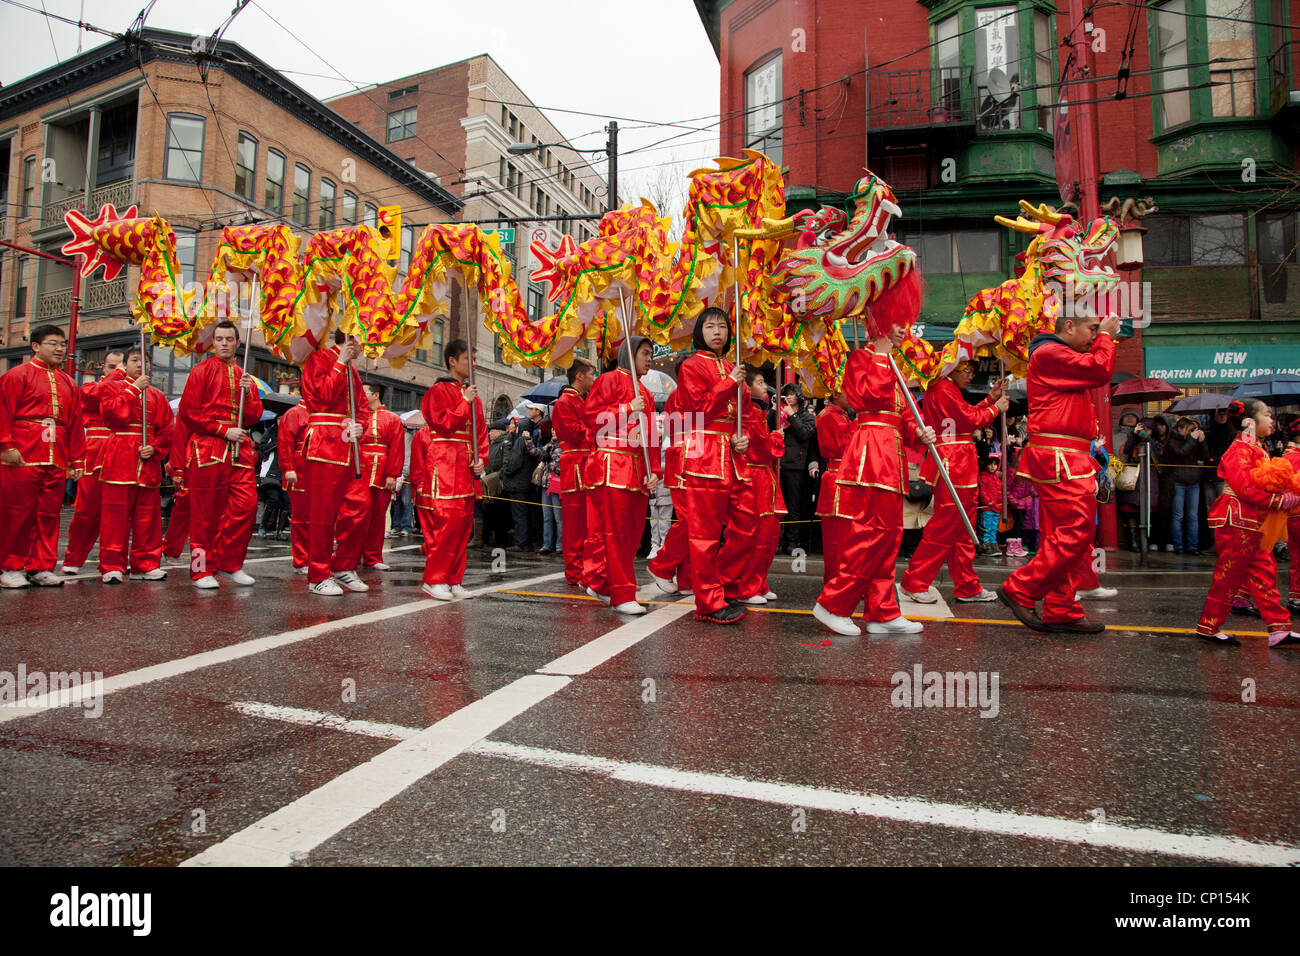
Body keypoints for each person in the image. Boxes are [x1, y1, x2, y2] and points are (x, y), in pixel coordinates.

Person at [813, 319, 936, 638]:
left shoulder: (894, 364)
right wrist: (880, 356)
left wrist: (919, 433)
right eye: (896, 324)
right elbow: (866, 397)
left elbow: (905, 416)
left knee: (890, 536)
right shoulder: (860, 359)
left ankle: (882, 611)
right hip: (871, 454)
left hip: (891, 457)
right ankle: (833, 604)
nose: (902, 330)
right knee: (871, 533)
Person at [997, 312, 1119, 634]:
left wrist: (1100, 337)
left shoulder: (1058, 356)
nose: (1095, 335)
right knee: (1078, 528)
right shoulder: (1050, 353)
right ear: (1069, 326)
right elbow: (1100, 368)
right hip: (1060, 457)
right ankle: (1021, 587)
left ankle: (1060, 607)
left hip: (1064, 456)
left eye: (1097, 331)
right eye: (1092, 328)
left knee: (1060, 534)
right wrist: (1107, 337)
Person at [898, 360, 1006, 604]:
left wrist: (990, 400)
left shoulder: (945, 389)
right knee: (946, 527)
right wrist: (994, 408)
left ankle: (966, 585)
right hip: (954, 462)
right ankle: (915, 580)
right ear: (952, 369)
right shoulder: (944, 388)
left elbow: (963, 416)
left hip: (958, 462)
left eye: (972, 371)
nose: (970, 376)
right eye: (966, 370)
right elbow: (969, 419)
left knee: (961, 529)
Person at [665, 309, 747, 624]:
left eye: (722, 326)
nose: (717, 331)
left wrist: (744, 438)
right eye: (710, 326)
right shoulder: (691, 366)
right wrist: (728, 383)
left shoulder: (729, 366)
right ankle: (709, 602)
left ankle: (723, 583)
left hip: (731, 455)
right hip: (704, 454)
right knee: (704, 533)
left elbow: (743, 413)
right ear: (700, 332)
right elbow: (701, 410)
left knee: (745, 525)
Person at [1195, 399, 1298, 647]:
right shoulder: (1239, 450)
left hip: (1251, 519)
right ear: (1250, 422)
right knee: (1230, 574)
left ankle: (1279, 628)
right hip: (1237, 519)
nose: (1272, 419)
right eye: (1267, 414)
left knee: (1264, 569)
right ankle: (1209, 625)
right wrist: (1279, 500)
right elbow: (1245, 488)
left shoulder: (1255, 448)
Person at [178, 320, 264, 590]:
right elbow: (188, 412)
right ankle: (201, 570)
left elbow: (253, 416)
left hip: (239, 451)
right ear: (213, 342)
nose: (224, 343)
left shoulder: (243, 375)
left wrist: (249, 394)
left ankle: (230, 563)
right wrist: (222, 430)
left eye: (229, 339)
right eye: (219, 339)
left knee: (246, 506)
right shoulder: (200, 371)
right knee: (205, 514)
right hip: (208, 447)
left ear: (238, 343)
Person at [0, 324, 85, 588]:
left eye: (62, 344)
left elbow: (74, 422)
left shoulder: (68, 382)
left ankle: (41, 566)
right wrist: (6, 445)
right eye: (53, 343)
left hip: (56, 457)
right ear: (35, 346)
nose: (60, 349)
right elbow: (3, 412)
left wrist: (77, 459)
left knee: (49, 514)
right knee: (17, 513)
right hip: (23, 455)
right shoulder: (16, 375)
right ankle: (10, 566)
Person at [584, 336, 659, 615]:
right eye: (645, 353)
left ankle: (603, 583)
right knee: (615, 532)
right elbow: (591, 418)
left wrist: (655, 471)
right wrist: (627, 408)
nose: (649, 358)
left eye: (651, 353)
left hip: (638, 469)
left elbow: (650, 437)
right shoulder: (608, 380)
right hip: (612, 464)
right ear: (630, 354)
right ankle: (622, 593)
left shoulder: (646, 394)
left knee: (632, 533)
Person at [298, 330, 370, 596]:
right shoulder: (318, 359)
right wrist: (340, 361)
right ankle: (318, 573)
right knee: (322, 515)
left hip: (348, 446)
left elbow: (361, 407)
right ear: (351, 340)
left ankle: (343, 566)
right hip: (323, 444)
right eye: (363, 341)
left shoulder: (354, 372)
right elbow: (321, 396)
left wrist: (359, 425)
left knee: (360, 507)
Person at [417, 339, 487, 600]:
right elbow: (443, 423)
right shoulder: (438, 391)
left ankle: (454, 578)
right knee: (446, 524)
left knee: (463, 526)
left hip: (466, 465)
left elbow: (480, 432)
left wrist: (481, 459)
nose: (473, 364)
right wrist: (462, 402)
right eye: (469, 359)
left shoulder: (472, 396)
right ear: (452, 361)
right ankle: (434, 579)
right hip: (445, 461)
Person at [96, 346, 173, 583]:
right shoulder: (113, 388)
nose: (140, 365)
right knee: (114, 517)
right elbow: (111, 415)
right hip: (120, 455)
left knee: (148, 517)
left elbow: (167, 429)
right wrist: (133, 390)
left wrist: (156, 447)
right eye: (135, 360)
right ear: (125, 364)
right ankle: (112, 565)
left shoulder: (158, 396)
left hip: (146, 459)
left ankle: (146, 563)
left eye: (145, 361)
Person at [720, 367, 785, 606]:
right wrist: (777, 439)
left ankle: (758, 581)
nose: (765, 387)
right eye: (759, 382)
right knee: (757, 533)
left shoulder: (758, 412)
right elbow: (762, 447)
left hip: (765, 476)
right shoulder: (746, 414)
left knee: (769, 534)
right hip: (754, 475)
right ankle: (746, 585)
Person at [62, 350, 124, 573]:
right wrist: (115, 378)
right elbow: (88, 398)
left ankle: (113, 562)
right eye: (110, 367)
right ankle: (72, 560)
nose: (117, 371)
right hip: (96, 451)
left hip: (122, 451)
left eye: (120, 367)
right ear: (103, 369)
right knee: (86, 511)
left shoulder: (134, 390)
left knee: (119, 513)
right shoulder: (92, 387)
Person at [646, 361, 693, 596]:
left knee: (698, 525)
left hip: (692, 462)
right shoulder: (681, 396)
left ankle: (686, 578)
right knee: (691, 522)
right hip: (686, 466)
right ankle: (662, 565)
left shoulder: (686, 394)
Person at [552, 359, 596, 584]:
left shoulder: (581, 400)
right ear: (579, 376)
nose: (593, 378)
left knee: (588, 522)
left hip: (586, 462)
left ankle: (585, 568)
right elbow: (574, 432)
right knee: (575, 522)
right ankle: (575, 571)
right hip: (575, 463)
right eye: (591, 374)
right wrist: (596, 424)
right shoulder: (564, 402)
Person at [359, 383, 405, 571]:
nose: (361, 395)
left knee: (378, 516)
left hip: (382, 471)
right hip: (361, 469)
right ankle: (351, 554)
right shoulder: (358, 417)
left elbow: (397, 449)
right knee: (356, 515)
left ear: (376, 395)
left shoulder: (392, 419)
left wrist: (392, 475)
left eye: (365, 392)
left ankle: (372, 556)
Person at [814, 390, 854, 599]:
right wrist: (859, 427)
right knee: (837, 539)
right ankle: (835, 582)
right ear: (837, 394)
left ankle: (843, 581)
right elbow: (840, 446)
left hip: (843, 475)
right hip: (838, 477)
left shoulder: (839, 415)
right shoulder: (830, 416)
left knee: (847, 537)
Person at [777, 384, 815, 555]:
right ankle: (776, 541)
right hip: (778, 464)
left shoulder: (807, 417)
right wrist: (774, 410)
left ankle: (791, 542)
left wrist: (791, 416)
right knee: (777, 507)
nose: (789, 398)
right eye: (786, 395)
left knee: (793, 507)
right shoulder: (779, 414)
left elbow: (805, 434)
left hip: (796, 467)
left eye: (792, 395)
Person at [1163, 416, 1209, 555]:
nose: (1191, 433)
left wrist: (1202, 442)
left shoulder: (1191, 441)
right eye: (1189, 430)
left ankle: (1193, 547)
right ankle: (1179, 546)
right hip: (1178, 482)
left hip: (1193, 481)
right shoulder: (1172, 441)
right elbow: (1181, 453)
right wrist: (1192, 440)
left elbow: (1204, 456)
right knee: (1178, 515)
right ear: (1180, 429)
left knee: (1193, 516)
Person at [503, 403, 544, 551]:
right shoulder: (528, 441)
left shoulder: (520, 441)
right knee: (524, 513)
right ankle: (525, 542)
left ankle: (522, 543)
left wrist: (507, 472)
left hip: (518, 483)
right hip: (525, 482)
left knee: (519, 514)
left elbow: (515, 461)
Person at [277, 401, 310, 573]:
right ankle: (302, 559)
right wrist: (288, 468)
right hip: (300, 469)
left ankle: (315, 557)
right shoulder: (294, 413)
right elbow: (285, 442)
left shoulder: (322, 414)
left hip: (317, 468)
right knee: (301, 517)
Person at [161, 414, 191, 560]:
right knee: (185, 506)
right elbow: (179, 439)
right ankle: (171, 548)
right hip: (193, 460)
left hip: (225, 456)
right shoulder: (191, 407)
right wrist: (178, 468)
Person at [537, 420, 563, 555]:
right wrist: (528, 440)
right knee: (546, 517)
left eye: (556, 429)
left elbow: (561, 468)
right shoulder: (548, 446)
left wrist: (550, 462)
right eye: (552, 430)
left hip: (557, 485)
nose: (553, 431)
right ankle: (547, 544)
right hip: (545, 485)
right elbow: (535, 452)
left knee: (559, 518)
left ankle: (560, 545)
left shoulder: (563, 447)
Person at [1284, 419, 1300, 614]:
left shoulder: (1287, 456)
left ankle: (1296, 596)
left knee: (1296, 556)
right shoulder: (1296, 458)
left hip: (1290, 514)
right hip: (1298, 513)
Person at [977, 458, 1004, 556]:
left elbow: (1000, 492)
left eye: (995, 464)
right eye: (990, 464)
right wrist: (988, 501)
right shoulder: (982, 477)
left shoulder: (996, 478)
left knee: (994, 527)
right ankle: (985, 545)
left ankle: (993, 544)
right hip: (986, 507)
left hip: (996, 507)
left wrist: (999, 502)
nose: (993, 467)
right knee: (986, 527)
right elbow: (983, 491)